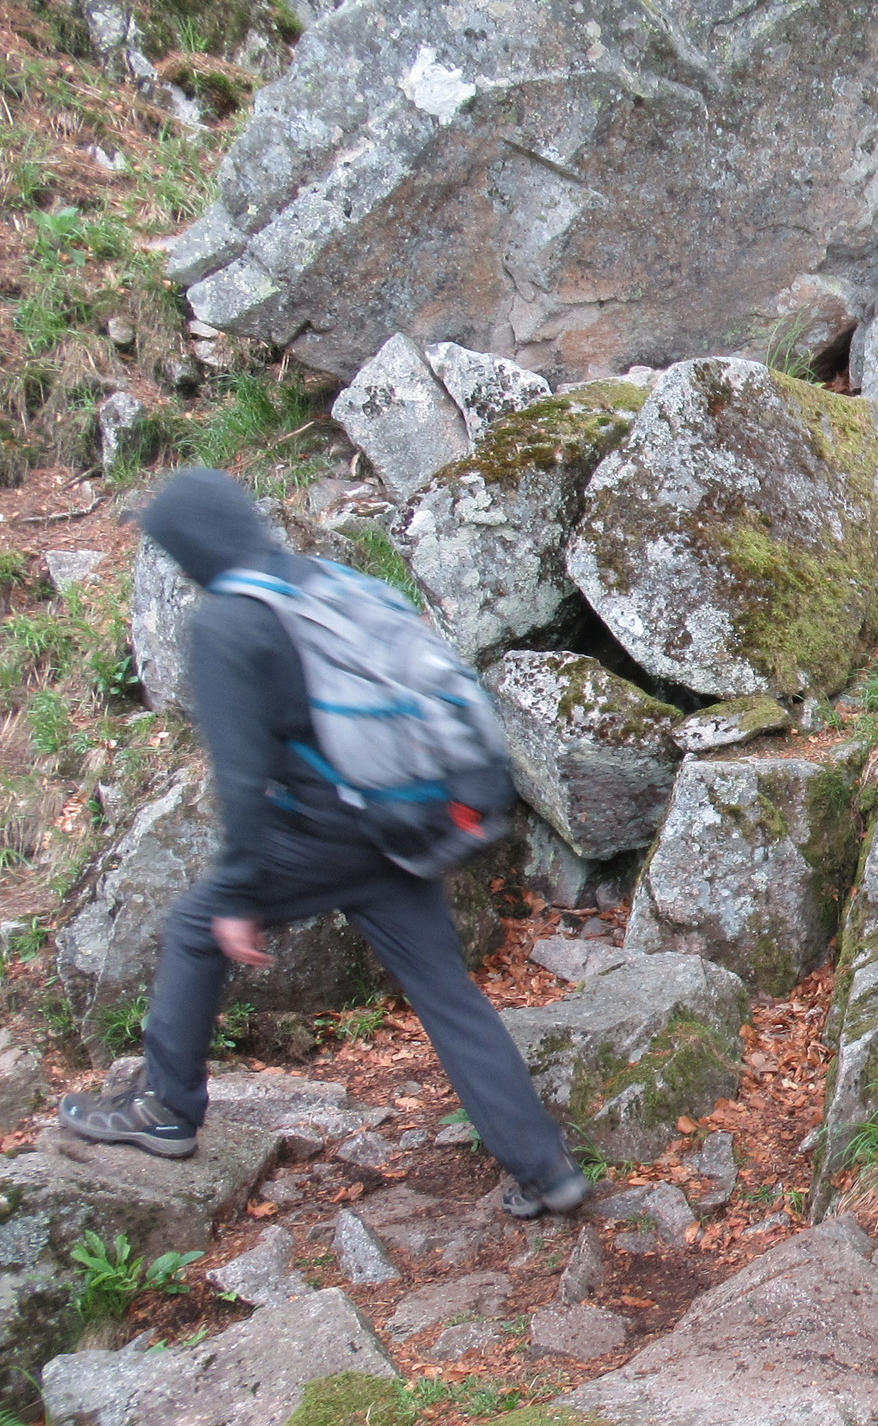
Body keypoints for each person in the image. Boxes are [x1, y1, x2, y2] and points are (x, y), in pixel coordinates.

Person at [59, 470, 590, 1219]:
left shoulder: (228, 622)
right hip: (401, 824)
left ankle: (166, 1107)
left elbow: (243, 781)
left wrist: (238, 895)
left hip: (323, 833)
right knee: (446, 994)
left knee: (195, 926)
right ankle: (546, 1169)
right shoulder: (320, 584)